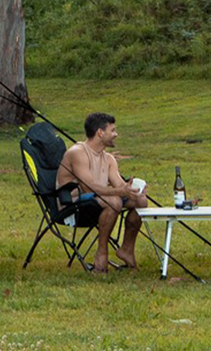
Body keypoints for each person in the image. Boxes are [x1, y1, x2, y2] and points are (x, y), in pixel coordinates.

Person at [56, 112, 148, 273]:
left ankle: (126, 249)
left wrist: (133, 191)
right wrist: (120, 191)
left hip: (98, 202)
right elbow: (89, 188)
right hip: (72, 207)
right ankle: (102, 252)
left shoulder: (108, 159)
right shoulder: (77, 153)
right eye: (112, 130)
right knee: (114, 201)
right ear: (100, 132)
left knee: (140, 201)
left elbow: (119, 185)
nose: (116, 134)